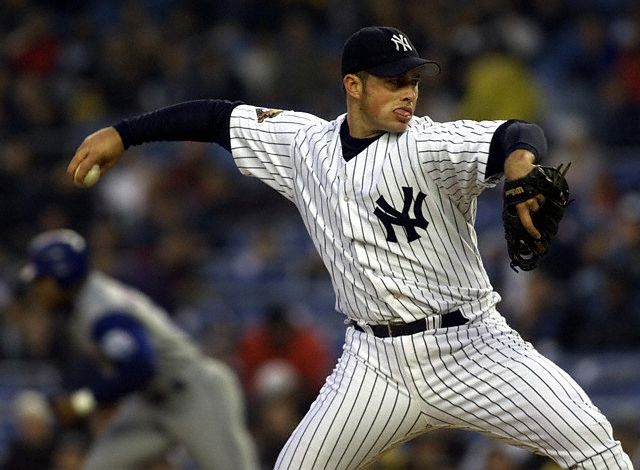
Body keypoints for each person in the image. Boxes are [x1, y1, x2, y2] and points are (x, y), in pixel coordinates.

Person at [67, 25, 633, 470]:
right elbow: (215, 118)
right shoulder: (303, 144)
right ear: (353, 85)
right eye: (393, 80)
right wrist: (124, 133)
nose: (409, 92)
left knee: (592, 444)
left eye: (414, 80)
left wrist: (520, 166)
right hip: (373, 365)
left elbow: (516, 132)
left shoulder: (428, 144)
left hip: (473, 348)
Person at [18, 229, 259, 470]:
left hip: (193, 393)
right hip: (149, 402)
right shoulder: (78, 304)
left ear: (64, 274)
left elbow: (140, 368)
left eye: (42, 280)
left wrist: (83, 402)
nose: (38, 288)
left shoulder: (102, 311)